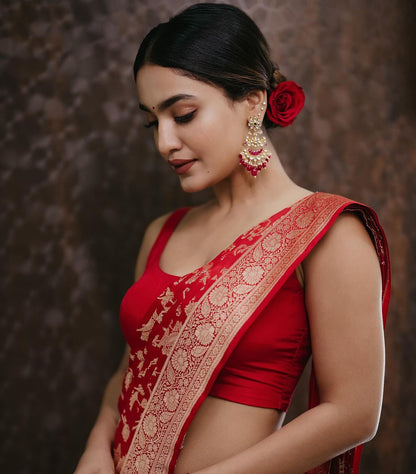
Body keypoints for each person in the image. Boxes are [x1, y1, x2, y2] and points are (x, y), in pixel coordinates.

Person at [74, 3, 390, 473]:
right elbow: (129, 373)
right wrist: (95, 450)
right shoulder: (162, 232)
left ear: (253, 101)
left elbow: (352, 414)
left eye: (182, 114)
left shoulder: (329, 235)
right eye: (151, 121)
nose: (164, 142)